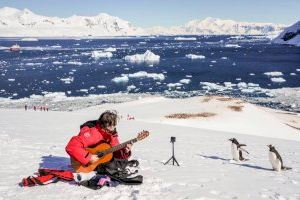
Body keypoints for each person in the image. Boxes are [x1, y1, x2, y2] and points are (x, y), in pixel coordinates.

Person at [65, 110, 132, 168]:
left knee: (122, 162)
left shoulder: (112, 134)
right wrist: (89, 157)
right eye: (112, 124)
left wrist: (125, 151)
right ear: (105, 124)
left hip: (101, 161)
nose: (114, 127)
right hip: (86, 165)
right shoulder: (92, 133)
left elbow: (115, 150)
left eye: (114, 124)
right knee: (113, 166)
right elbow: (71, 146)